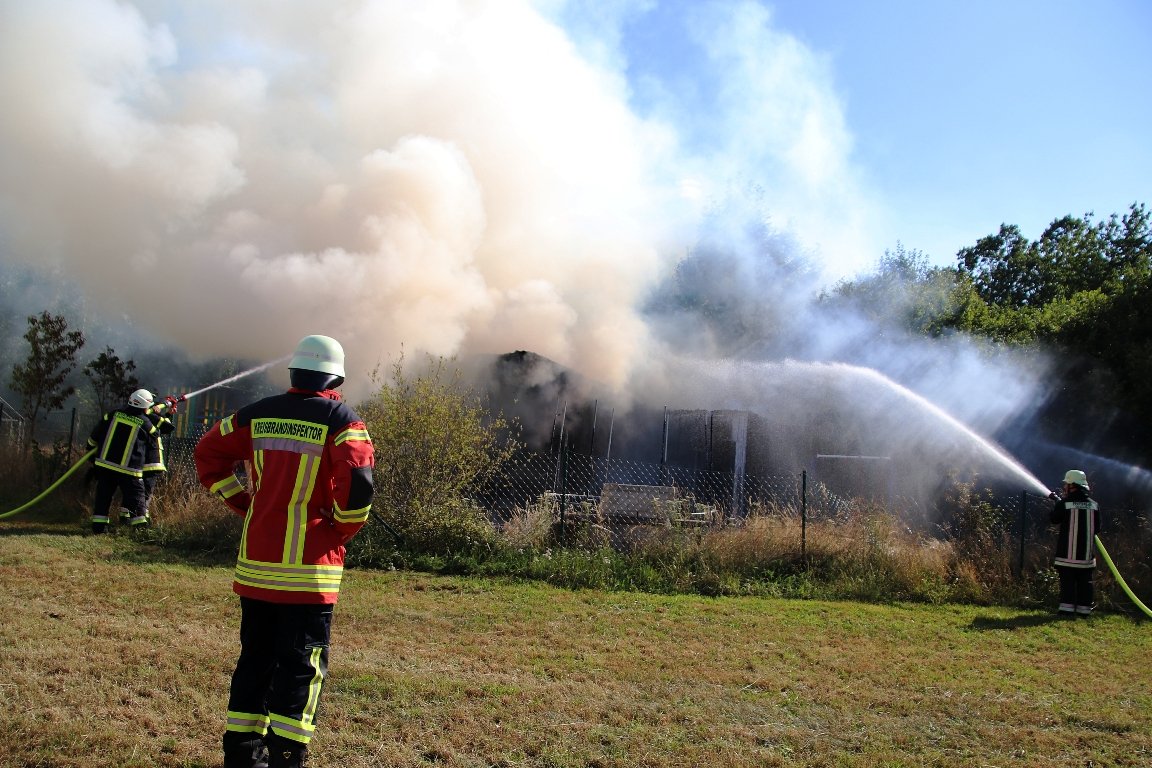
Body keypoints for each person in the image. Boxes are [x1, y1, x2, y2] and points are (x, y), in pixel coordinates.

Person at [194, 335, 375, 768]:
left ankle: (241, 755)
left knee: (255, 660)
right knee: (301, 668)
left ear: (294, 372)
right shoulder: (342, 420)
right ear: (336, 377)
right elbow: (358, 487)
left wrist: (242, 501)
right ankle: (287, 758)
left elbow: (207, 454)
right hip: (309, 576)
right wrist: (341, 530)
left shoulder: (256, 415)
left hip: (257, 569)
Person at [87, 388, 162, 533]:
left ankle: (98, 528)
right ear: (146, 406)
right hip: (129, 470)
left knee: (103, 497)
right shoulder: (145, 423)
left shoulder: (112, 415)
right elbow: (157, 434)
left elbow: (93, 437)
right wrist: (159, 416)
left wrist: (91, 452)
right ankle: (140, 530)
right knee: (137, 499)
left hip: (105, 466)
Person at [1049, 469, 1100, 617]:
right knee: (1085, 583)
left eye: (1066, 484)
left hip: (1067, 555)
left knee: (1068, 583)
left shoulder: (1065, 503)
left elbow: (1054, 519)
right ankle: (1084, 611)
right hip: (1086, 557)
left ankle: (1066, 611)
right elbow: (1097, 528)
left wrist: (1057, 505)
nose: (1065, 487)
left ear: (1072, 486)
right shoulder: (1094, 505)